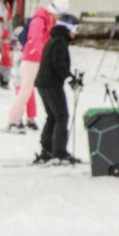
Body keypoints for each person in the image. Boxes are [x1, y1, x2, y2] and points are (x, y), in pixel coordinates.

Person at [8, 0, 63, 131]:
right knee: (24, 90)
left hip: (37, 58)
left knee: (30, 89)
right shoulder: (40, 20)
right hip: (31, 58)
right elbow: (36, 39)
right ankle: (14, 120)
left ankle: (30, 117)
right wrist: (43, 54)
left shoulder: (50, 20)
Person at [33, 13, 80, 165]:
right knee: (61, 116)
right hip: (50, 84)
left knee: (52, 116)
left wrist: (70, 77)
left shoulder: (55, 40)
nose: (76, 33)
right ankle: (59, 152)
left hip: (44, 83)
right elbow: (58, 63)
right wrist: (69, 77)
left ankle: (47, 149)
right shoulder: (60, 42)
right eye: (75, 29)